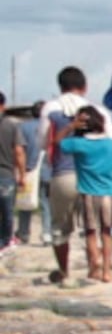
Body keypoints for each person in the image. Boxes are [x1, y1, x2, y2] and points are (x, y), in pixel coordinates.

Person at [36, 67, 112, 282]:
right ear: (85, 86)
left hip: (63, 175)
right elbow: (111, 142)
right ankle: (97, 267)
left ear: (60, 86)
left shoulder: (50, 108)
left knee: (60, 227)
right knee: (96, 227)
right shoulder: (100, 111)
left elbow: (43, 143)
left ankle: (64, 271)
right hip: (96, 179)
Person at [53, 106, 112, 282]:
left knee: (90, 232)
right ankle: (107, 271)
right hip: (109, 193)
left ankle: (94, 264)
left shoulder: (78, 144)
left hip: (88, 193)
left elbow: (57, 142)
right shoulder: (110, 144)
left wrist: (70, 126)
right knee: (106, 233)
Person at [15, 99, 46, 245]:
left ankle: (23, 233)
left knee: (25, 201)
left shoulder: (23, 127)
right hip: (47, 168)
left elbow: (20, 149)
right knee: (46, 202)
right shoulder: (50, 126)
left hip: (28, 168)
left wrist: (21, 171)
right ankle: (47, 233)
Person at [0, 92, 27, 256]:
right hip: (5, 175)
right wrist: (22, 174)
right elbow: (18, 151)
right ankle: (5, 241)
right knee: (7, 211)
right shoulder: (11, 125)